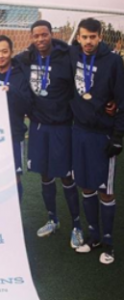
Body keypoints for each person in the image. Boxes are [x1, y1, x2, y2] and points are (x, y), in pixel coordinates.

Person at [16, 20, 83, 248]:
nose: (40, 39)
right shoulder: (26, 58)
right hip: (37, 126)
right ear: (31, 37)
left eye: (44, 35)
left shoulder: (68, 55)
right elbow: (0, 63)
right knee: (45, 174)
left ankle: (77, 225)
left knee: (66, 175)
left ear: (51, 35)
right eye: (36, 36)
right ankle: (52, 219)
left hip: (62, 125)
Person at [70, 18, 124, 264]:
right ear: (78, 37)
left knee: (106, 190)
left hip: (103, 134)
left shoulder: (113, 61)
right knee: (87, 186)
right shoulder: (72, 55)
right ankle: (93, 236)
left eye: (93, 36)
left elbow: (121, 101)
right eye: (84, 37)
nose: (88, 41)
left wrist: (117, 136)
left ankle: (109, 242)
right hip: (79, 131)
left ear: (100, 36)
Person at [0, 35, 29, 202]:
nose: (0, 56)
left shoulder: (20, 74)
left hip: (14, 133)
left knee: (14, 177)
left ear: (11, 52)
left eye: (4, 52)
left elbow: (27, 104)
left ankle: (16, 218)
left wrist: (11, 90)